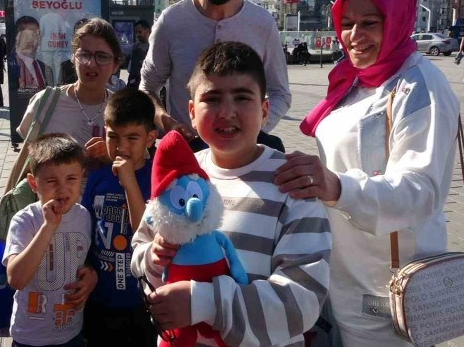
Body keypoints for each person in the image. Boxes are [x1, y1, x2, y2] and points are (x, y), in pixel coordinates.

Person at [278, 0, 459, 346]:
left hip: (387, 286)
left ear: (397, 20)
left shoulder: (419, 86)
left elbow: (421, 191)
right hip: (340, 272)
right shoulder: (355, 79)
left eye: (370, 23)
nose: (355, 35)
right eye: (347, 23)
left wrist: (336, 186)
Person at [131, 41, 331, 346]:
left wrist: (204, 303)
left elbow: (302, 301)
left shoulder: (292, 183)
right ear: (192, 112)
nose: (227, 112)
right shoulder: (179, 177)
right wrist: (153, 258)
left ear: (265, 110)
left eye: (242, 97)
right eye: (212, 98)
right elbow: (140, 249)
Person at [139, 0, 291, 151]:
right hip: (186, 154)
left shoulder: (262, 23)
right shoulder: (171, 22)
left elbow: (280, 93)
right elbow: (147, 88)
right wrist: (166, 121)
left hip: (246, 158)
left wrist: (251, 129)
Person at [81, 88, 158, 347]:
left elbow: (146, 234)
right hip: (100, 296)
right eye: (113, 137)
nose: (121, 147)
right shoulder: (97, 178)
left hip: (143, 300)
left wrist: (129, 183)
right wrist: (86, 267)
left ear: (150, 138)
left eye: (132, 138)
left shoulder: (158, 180)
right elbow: (85, 229)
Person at [3, 134, 93, 347]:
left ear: (82, 176)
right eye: (52, 181)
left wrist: (92, 277)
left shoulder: (83, 216)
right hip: (30, 336)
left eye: (71, 179)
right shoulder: (25, 221)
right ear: (33, 183)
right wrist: (48, 226)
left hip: (71, 332)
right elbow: (16, 279)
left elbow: (83, 260)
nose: (63, 189)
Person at [17, 18, 122, 171]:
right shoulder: (46, 102)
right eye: (84, 55)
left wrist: (110, 156)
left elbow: (138, 166)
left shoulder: (122, 110)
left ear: (116, 65)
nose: (91, 64)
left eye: (102, 57)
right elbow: (24, 164)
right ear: (73, 57)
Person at [11, 16, 48, 91]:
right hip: (29, 54)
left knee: (22, 71)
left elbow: (17, 43)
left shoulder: (20, 33)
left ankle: (23, 85)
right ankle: (31, 85)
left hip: (20, 53)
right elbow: (36, 44)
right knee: (29, 71)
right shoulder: (34, 33)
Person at [127, 20, 150, 88]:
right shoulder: (135, 47)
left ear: (147, 31)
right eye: (136, 32)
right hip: (133, 84)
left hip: (147, 83)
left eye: (140, 32)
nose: (138, 35)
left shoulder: (153, 47)